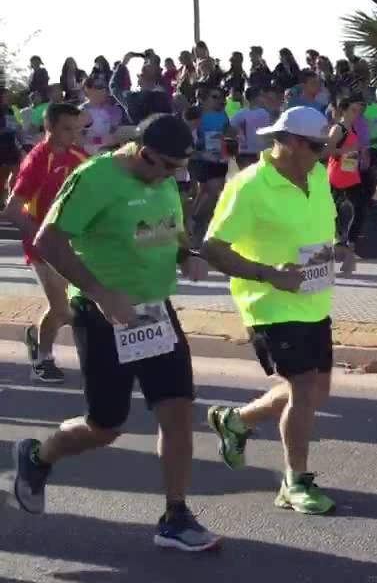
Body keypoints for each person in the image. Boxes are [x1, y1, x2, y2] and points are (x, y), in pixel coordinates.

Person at [10, 114, 220, 551]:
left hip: (154, 312)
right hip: (102, 315)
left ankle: (176, 516)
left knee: (179, 410)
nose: (172, 177)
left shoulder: (162, 180)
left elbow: (171, 234)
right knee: (105, 426)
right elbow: (49, 241)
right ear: (142, 152)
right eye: (165, 166)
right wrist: (103, 294)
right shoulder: (94, 177)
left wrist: (188, 256)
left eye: (179, 169)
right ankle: (37, 456)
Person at [202, 106, 351, 515]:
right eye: (317, 146)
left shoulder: (317, 175)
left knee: (315, 392)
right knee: (303, 389)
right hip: (269, 303)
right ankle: (294, 481)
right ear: (286, 142)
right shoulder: (250, 186)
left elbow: (321, 229)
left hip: (314, 300)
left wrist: (339, 250)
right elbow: (213, 248)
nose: (324, 153)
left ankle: (238, 421)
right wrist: (268, 274)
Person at [3, 103, 88, 382]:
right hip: (41, 244)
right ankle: (43, 358)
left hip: (70, 242)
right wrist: (41, 239)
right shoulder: (38, 160)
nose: (74, 135)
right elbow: (13, 209)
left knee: (72, 308)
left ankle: (36, 335)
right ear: (48, 127)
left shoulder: (78, 155)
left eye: (77, 129)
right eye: (67, 129)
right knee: (62, 308)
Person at [326, 95, 368, 274]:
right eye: (353, 110)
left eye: (359, 111)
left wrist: (361, 155)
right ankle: (339, 249)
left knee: (358, 214)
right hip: (337, 177)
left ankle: (348, 253)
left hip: (352, 176)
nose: (357, 114)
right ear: (343, 110)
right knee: (335, 214)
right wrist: (345, 151)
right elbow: (327, 150)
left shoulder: (353, 129)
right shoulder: (338, 128)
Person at [188, 85, 234, 237]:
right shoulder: (195, 113)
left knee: (205, 191)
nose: (219, 100)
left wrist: (228, 147)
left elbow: (227, 132)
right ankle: (198, 220)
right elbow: (190, 136)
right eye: (214, 97)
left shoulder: (222, 114)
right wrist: (201, 150)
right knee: (214, 190)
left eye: (220, 97)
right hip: (201, 158)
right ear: (202, 99)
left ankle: (193, 221)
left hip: (219, 158)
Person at [231, 85, 281, 169]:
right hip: (248, 153)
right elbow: (231, 129)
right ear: (256, 98)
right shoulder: (267, 113)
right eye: (263, 96)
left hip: (260, 151)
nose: (266, 99)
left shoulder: (241, 114)